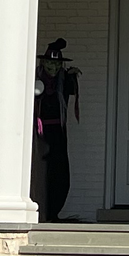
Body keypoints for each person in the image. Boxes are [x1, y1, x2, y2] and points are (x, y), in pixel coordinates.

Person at [34, 38, 79, 220]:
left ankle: (54, 210)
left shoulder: (63, 81)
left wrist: (72, 76)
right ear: (43, 63)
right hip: (39, 133)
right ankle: (41, 209)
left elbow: (72, 90)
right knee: (41, 172)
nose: (52, 68)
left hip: (58, 134)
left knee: (59, 173)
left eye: (56, 64)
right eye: (49, 63)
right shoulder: (34, 80)